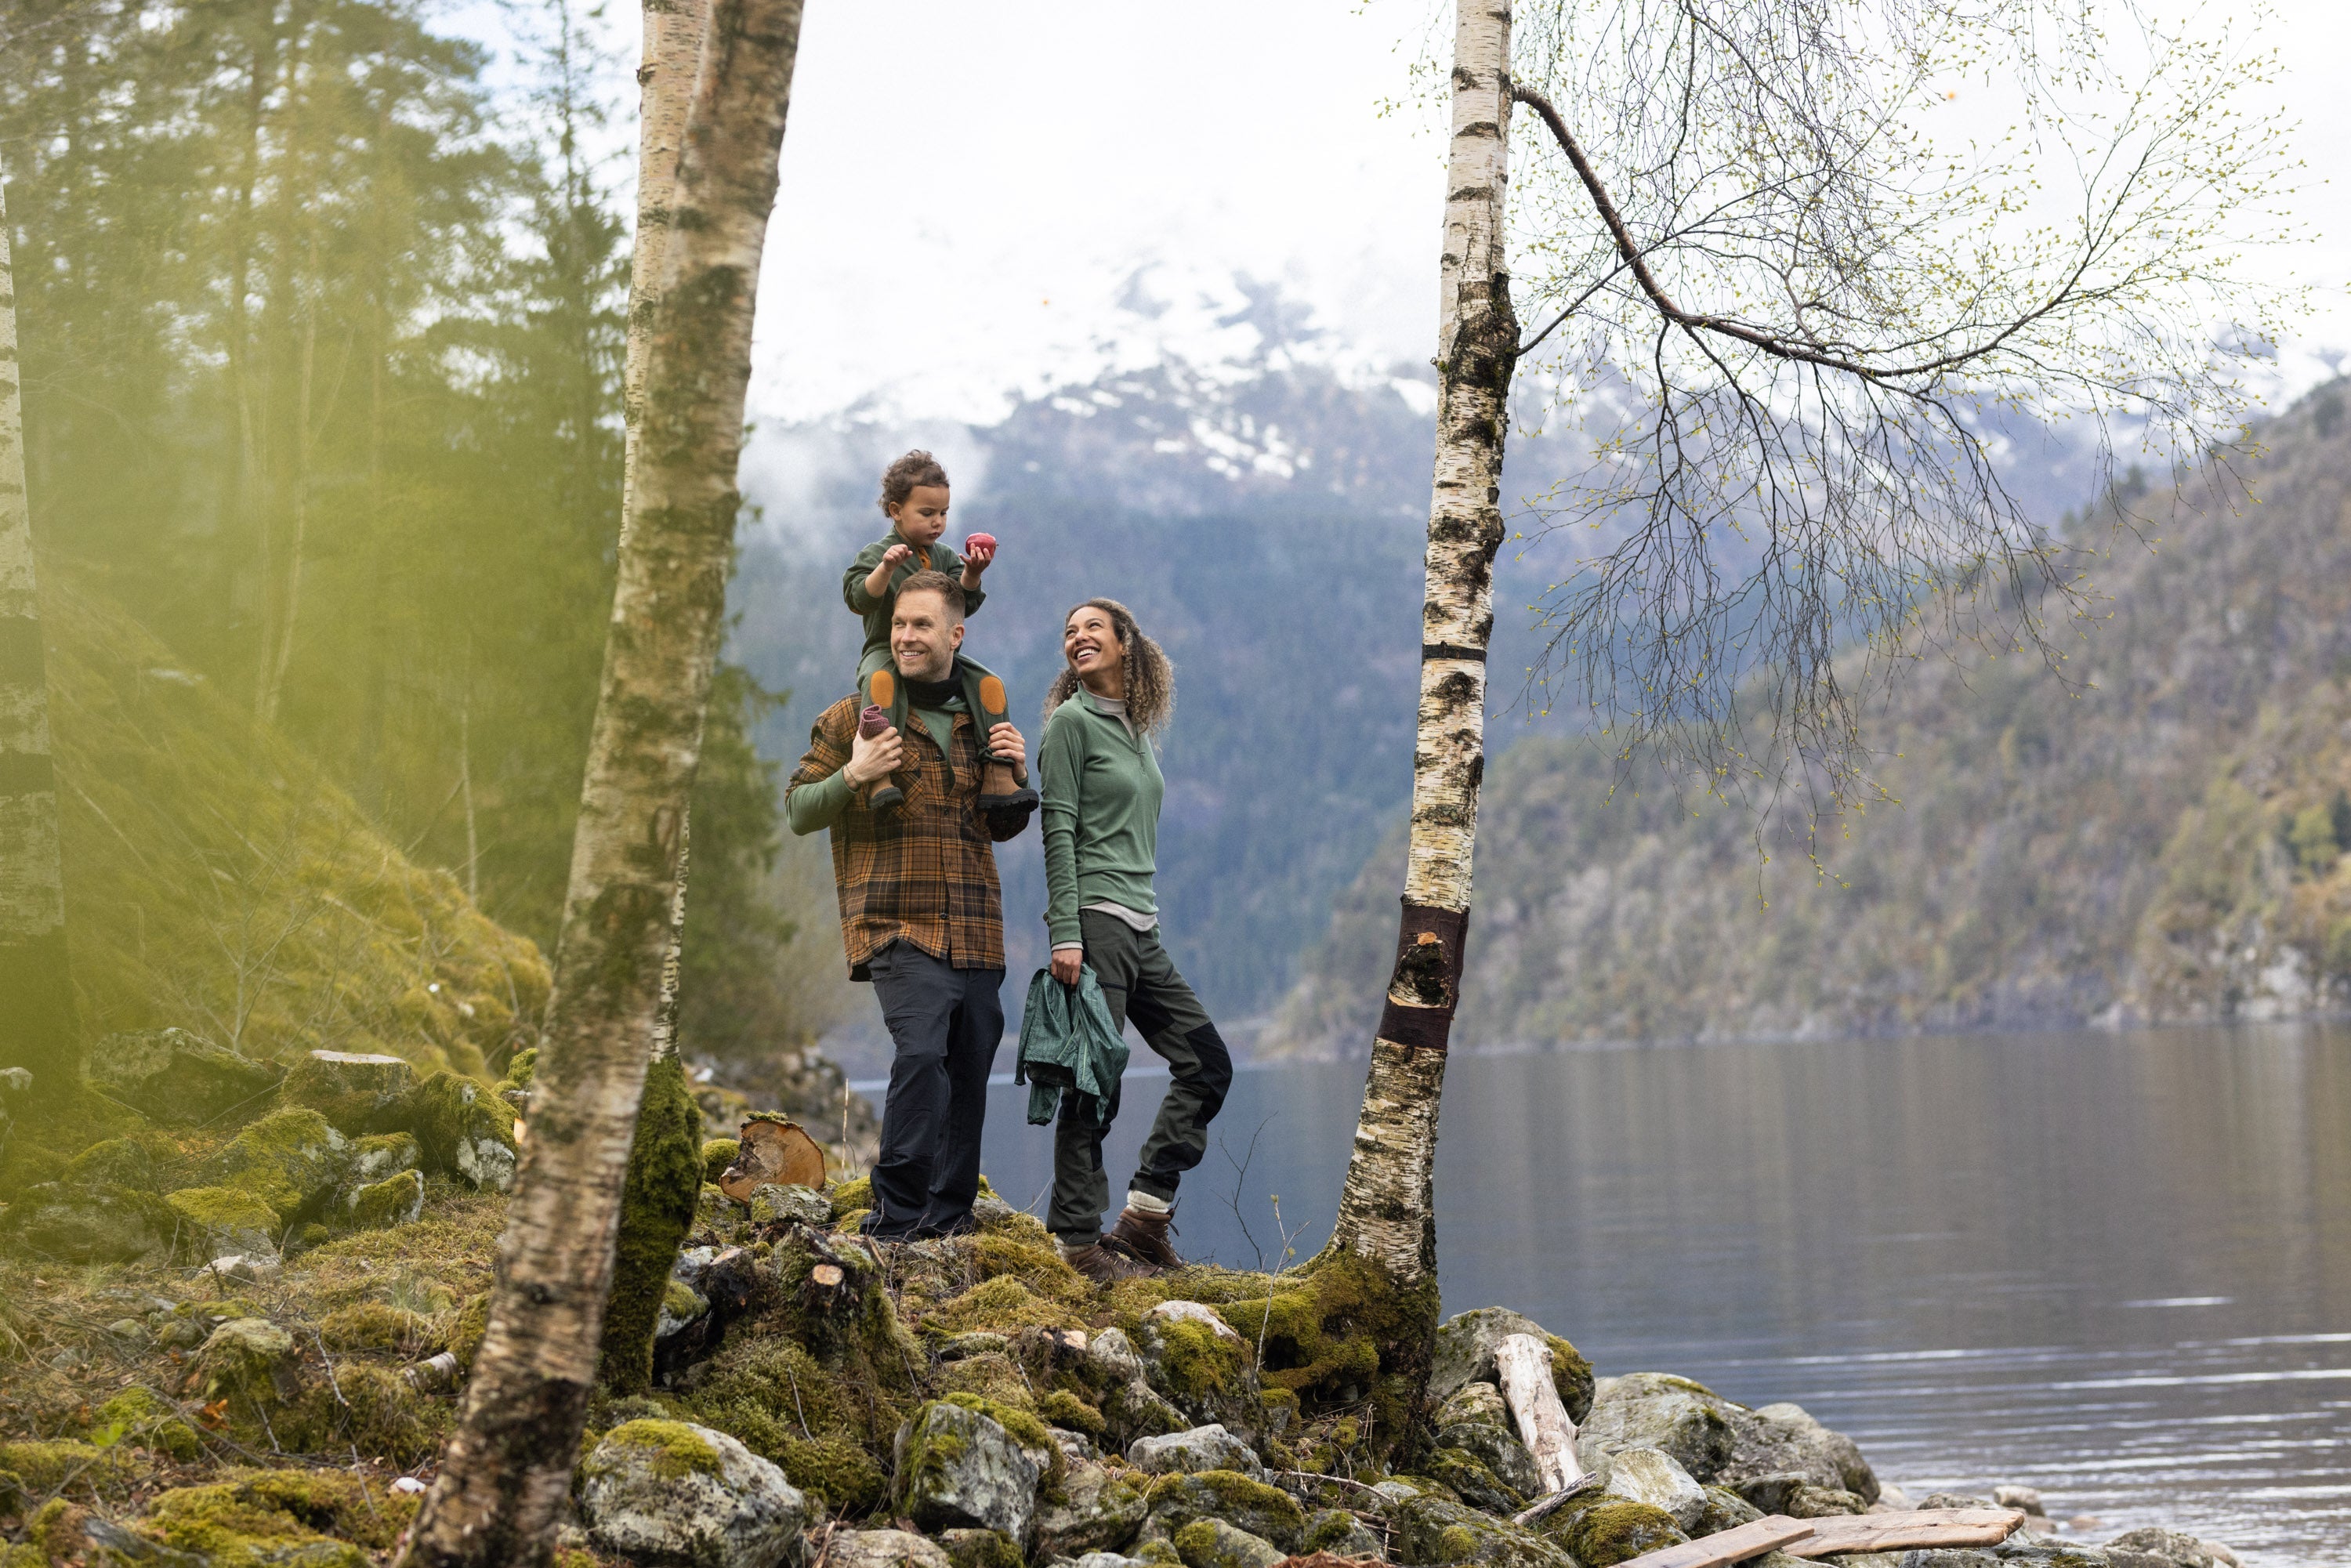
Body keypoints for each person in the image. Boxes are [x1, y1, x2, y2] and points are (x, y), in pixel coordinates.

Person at [785, 572, 1032, 1240]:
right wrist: (856, 773)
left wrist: (1016, 770)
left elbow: (1002, 826)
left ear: (956, 633)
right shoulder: (851, 716)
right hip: (896, 921)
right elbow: (798, 810)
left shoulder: (982, 719)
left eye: (922, 625)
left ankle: (948, 1219)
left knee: (969, 1068)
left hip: (976, 929)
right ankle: (894, 1218)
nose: (905, 636)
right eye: (898, 624)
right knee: (920, 1055)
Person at [1036, 598, 1233, 1282]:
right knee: (1093, 1086)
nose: (1077, 638)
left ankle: (1145, 1219)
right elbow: (1057, 828)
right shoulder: (1070, 723)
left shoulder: (1138, 732)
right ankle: (1079, 1244)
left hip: (1142, 927)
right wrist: (1066, 931)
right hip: (1092, 920)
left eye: (1091, 627)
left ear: (1127, 644)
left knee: (1207, 1064)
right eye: (1069, 632)